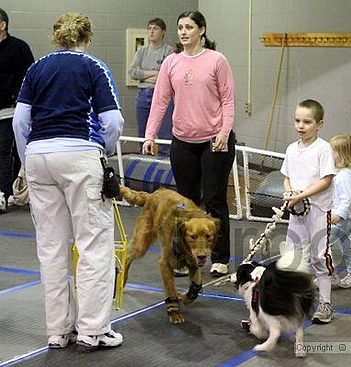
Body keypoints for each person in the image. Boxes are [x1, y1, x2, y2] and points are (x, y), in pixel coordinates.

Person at [12, 12, 124, 349]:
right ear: (87, 38)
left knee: (51, 248)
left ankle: (57, 331)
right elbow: (113, 121)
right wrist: (100, 152)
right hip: (79, 155)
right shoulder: (93, 67)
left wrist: (27, 160)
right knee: (93, 245)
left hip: (38, 158)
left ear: (56, 37)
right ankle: (93, 329)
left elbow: (20, 121)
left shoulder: (36, 68)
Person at [142, 10, 236, 277]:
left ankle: (220, 257)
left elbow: (228, 100)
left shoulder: (217, 60)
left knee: (215, 199)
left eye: (189, 27)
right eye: (180, 27)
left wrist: (224, 131)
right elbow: (160, 101)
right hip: (183, 141)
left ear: (201, 30)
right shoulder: (171, 62)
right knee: (186, 204)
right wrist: (150, 135)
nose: (183, 32)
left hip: (214, 141)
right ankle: (184, 257)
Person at [281, 99, 336, 323]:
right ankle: (293, 300)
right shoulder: (292, 149)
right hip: (297, 212)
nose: (301, 126)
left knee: (319, 256)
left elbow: (326, 180)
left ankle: (325, 303)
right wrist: (290, 194)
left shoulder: (323, 149)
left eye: (307, 121)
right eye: (297, 121)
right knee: (292, 257)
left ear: (319, 124)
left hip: (318, 211)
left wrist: (301, 195)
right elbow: (287, 176)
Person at [0, 8, 34, 213]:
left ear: (2, 25)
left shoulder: (19, 48)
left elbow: (29, 78)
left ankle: (3, 194)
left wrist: (18, 100)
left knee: (3, 152)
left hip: (8, 110)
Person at [128, 17, 174, 156]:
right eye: (149, 28)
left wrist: (144, 73)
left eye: (155, 28)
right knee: (143, 132)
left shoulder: (169, 51)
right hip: (143, 94)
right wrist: (154, 73)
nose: (152, 31)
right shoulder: (142, 51)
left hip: (162, 94)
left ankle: (164, 163)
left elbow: (166, 76)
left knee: (165, 132)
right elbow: (132, 72)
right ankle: (144, 161)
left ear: (163, 32)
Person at [329, 134, 351, 289]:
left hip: (342, 219)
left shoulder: (344, 176)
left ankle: (328, 275)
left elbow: (347, 199)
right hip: (347, 219)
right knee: (347, 246)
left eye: (333, 151)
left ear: (342, 154)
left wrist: (338, 214)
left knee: (321, 244)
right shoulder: (342, 174)